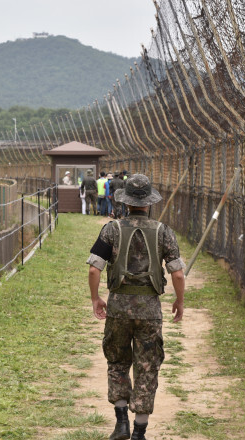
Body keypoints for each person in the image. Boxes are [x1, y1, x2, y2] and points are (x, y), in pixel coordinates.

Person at [86, 174, 185, 440]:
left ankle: (121, 423)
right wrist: (179, 301)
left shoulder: (111, 229)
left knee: (117, 361)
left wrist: (96, 298)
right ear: (149, 202)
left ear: (126, 202)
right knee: (147, 365)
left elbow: (95, 268)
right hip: (150, 311)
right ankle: (140, 430)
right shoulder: (164, 231)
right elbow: (176, 273)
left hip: (118, 307)